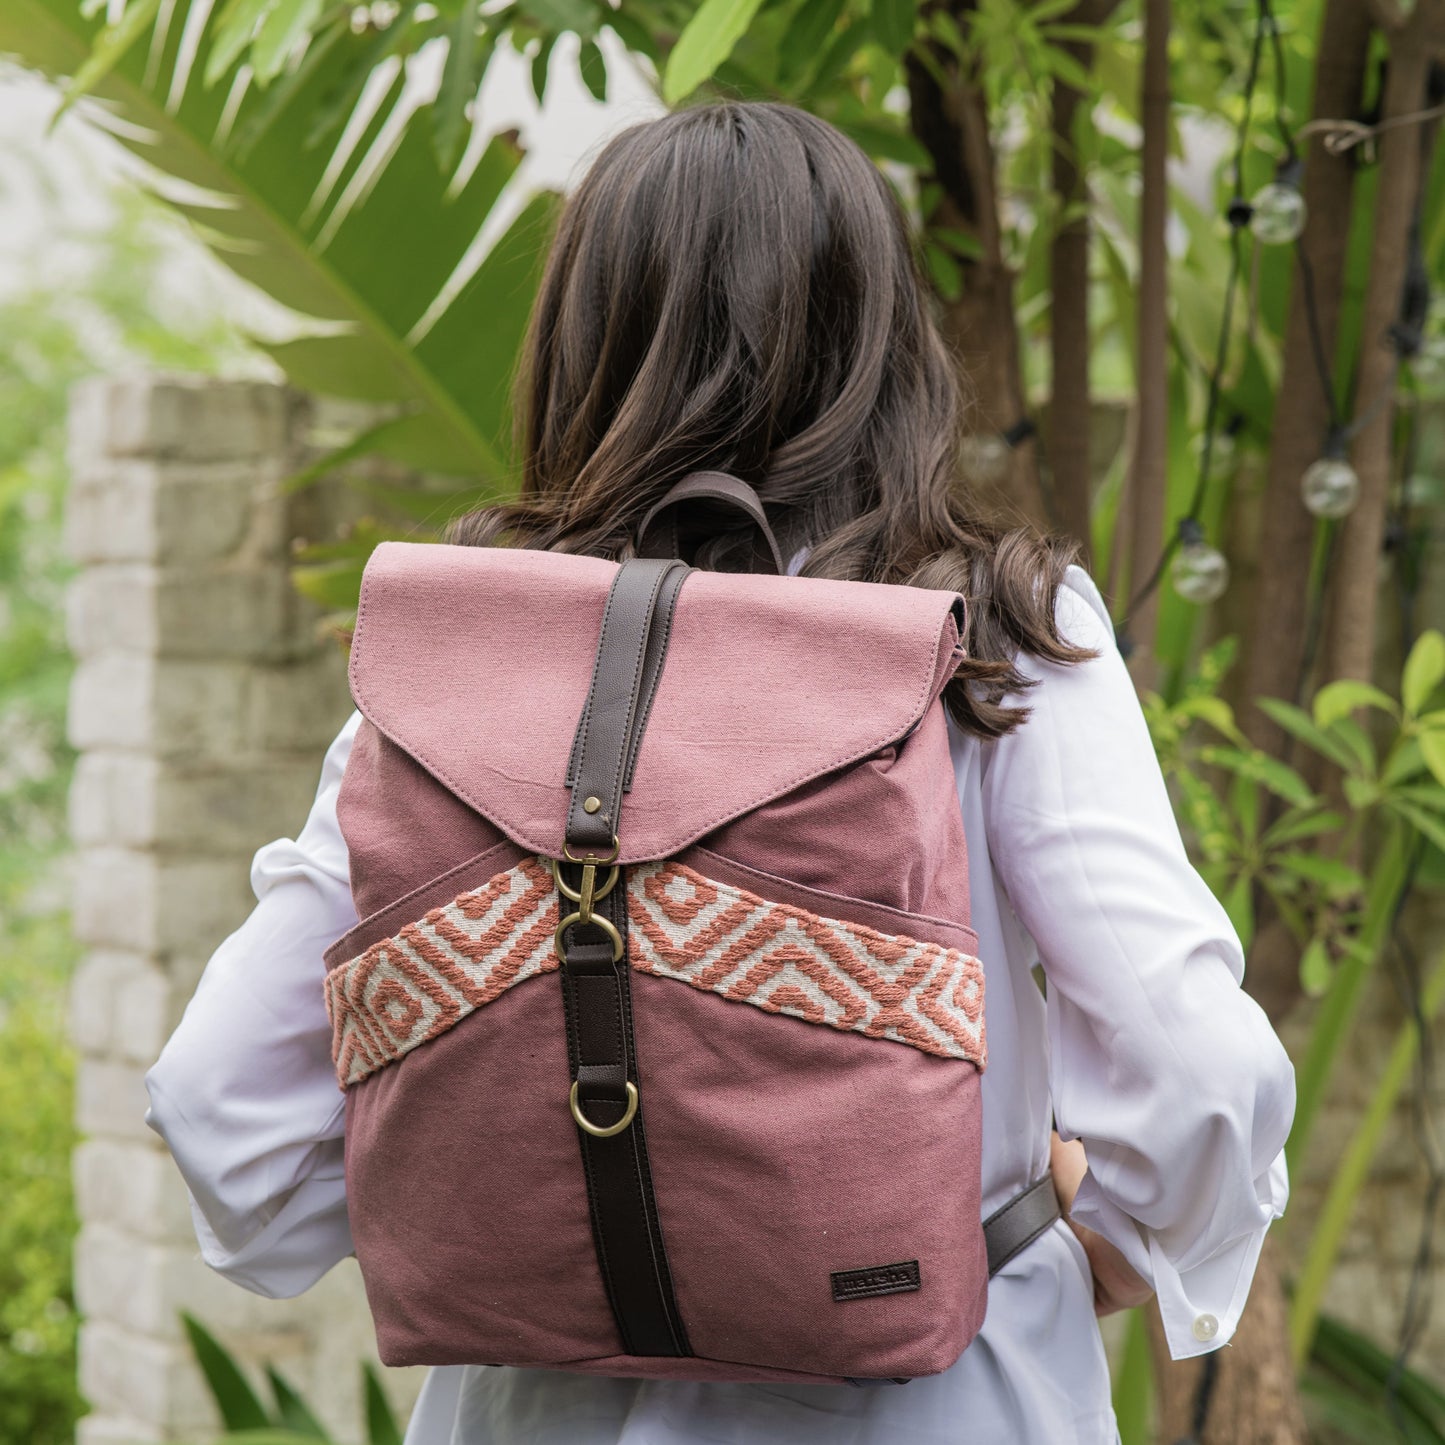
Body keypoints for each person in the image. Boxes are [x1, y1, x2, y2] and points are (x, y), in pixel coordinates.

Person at [145, 101, 1296, 1444]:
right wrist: (1095, 1239)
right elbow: (1202, 1073)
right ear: (880, 341)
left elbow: (216, 1098)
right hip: (934, 1398)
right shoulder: (994, 639)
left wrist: (503, 1221)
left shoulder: (459, 667)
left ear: (577, 345)